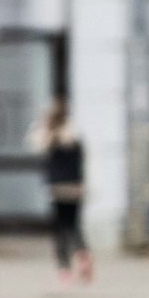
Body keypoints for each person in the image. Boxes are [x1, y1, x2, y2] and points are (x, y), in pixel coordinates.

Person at [33, 97, 92, 283]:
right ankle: (82, 253)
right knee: (74, 225)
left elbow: (35, 144)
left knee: (60, 228)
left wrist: (45, 125)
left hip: (57, 188)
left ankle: (64, 268)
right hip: (74, 187)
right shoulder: (73, 134)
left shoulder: (50, 135)